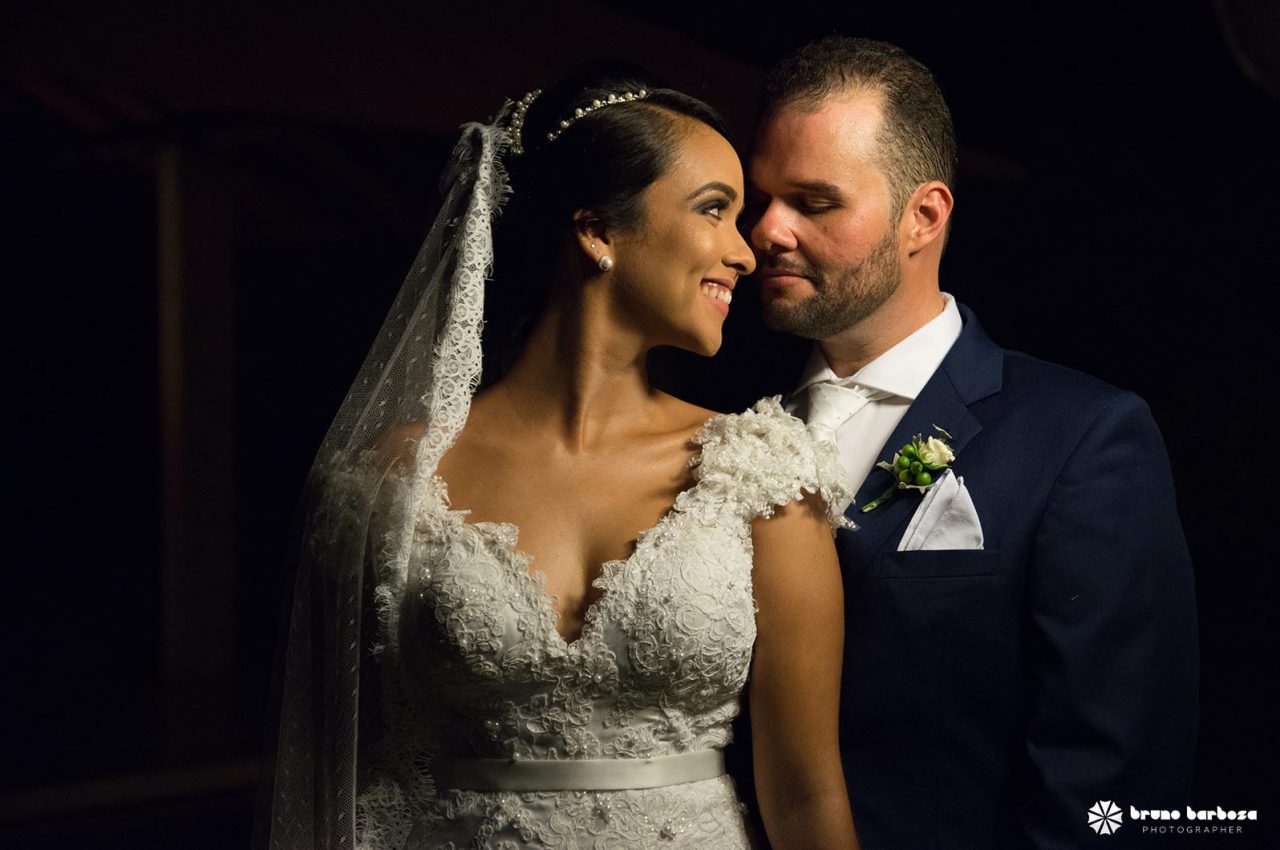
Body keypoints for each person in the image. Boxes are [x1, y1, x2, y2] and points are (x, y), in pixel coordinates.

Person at [256, 66, 860, 849]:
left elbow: (807, 799)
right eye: (715, 210)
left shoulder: (764, 473)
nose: (745, 254)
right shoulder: (394, 479)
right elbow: (357, 776)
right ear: (598, 230)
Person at [746, 37, 1198, 849]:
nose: (765, 230)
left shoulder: (1083, 436)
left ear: (924, 217)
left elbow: (1113, 767)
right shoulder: (728, 429)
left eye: (813, 203)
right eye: (760, 198)